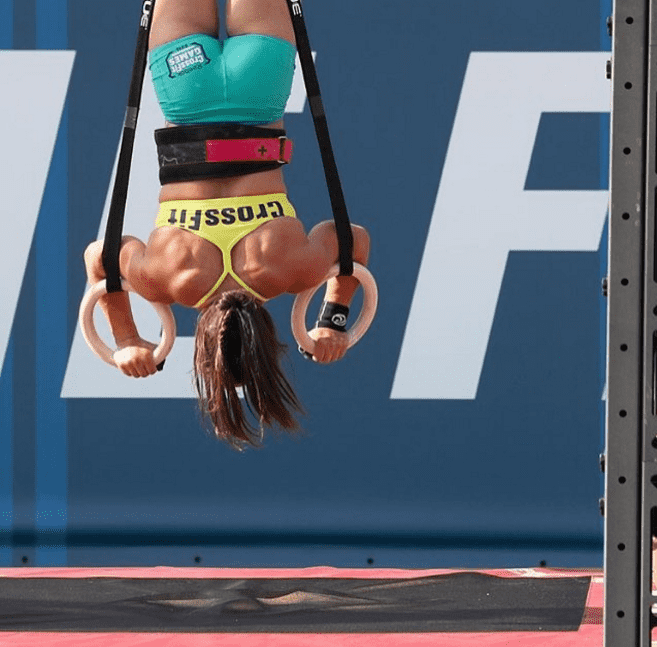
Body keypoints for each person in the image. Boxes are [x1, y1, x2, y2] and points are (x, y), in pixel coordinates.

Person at [83, 0, 370, 449]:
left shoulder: (285, 271)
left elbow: (352, 241)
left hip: (259, 85)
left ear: (268, 337)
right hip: (188, 91)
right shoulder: (171, 278)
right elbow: (100, 259)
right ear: (198, 344)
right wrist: (126, 338)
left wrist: (333, 321)